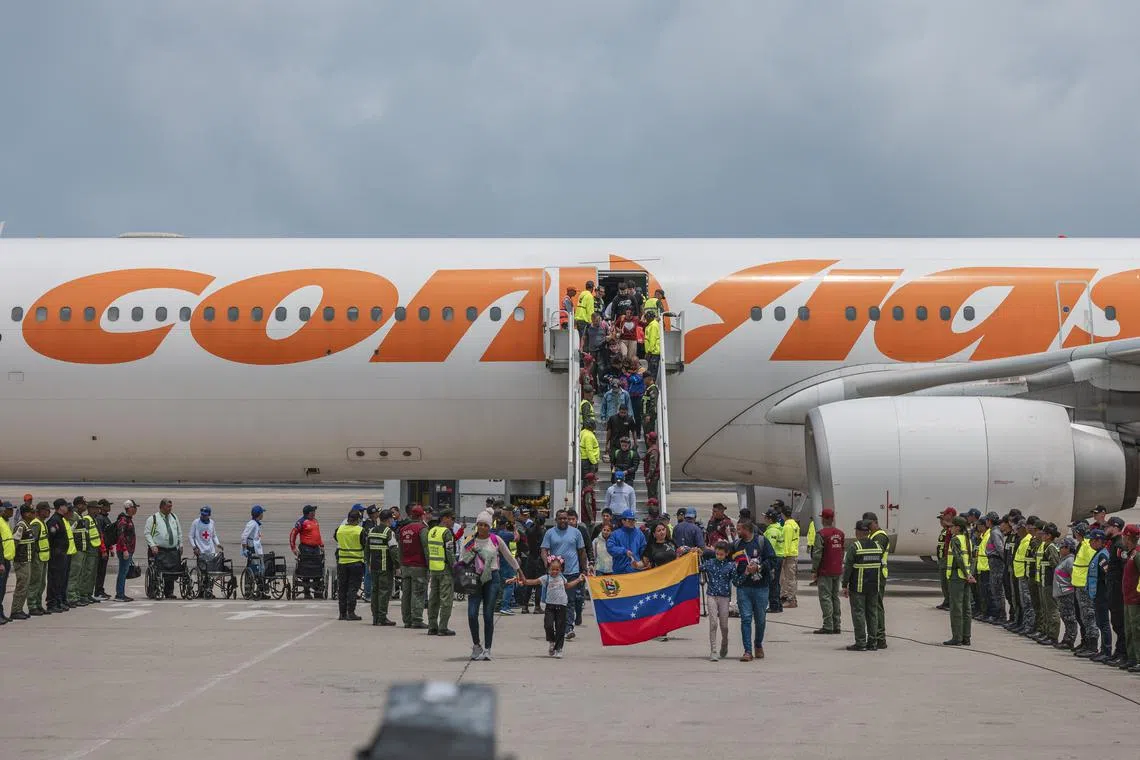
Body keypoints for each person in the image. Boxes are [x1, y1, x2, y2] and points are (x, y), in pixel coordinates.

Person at [461, 510, 523, 661]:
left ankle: (488, 648)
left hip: (492, 578)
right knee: (471, 613)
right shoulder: (470, 540)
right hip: (474, 578)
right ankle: (476, 646)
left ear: (489, 526)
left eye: (485, 525)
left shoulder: (496, 539)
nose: (482, 528)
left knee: (488, 614)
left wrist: (519, 571)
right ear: (476, 526)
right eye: (480, 525)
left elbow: (509, 555)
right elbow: (462, 559)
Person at [510, 556, 584, 658]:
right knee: (548, 625)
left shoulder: (562, 578)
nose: (555, 571)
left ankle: (559, 649)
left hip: (562, 606)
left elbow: (567, 586)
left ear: (561, 569)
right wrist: (520, 580)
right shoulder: (546, 578)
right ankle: (551, 641)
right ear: (548, 569)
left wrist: (578, 580)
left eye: (557, 569)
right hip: (550, 607)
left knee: (560, 628)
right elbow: (530, 582)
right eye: (552, 569)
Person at [732, 520, 776, 662]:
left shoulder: (762, 542)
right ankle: (747, 651)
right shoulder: (737, 545)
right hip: (743, 587)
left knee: (760, 619)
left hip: (761, 587)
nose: (737, 532)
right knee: (745, 618)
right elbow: (725, 557)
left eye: (739, 529)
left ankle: (758, 644)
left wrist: (759, 567)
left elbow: (773, 560)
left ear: (747, 529)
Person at [541, 509, 588, 639]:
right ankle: (558, 626)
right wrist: (547, 563)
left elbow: (582, 551)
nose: (563, 521)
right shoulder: (550, 533)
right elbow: (544, 550)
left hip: (572, 571)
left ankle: (568, 628)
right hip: (556, 573)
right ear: (556, 520)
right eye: (560, 518)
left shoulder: (576, 532)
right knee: (556, 602)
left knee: (570, 601)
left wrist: (584, 569)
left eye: (565, 518)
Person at [842, 520, 883, 651]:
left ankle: (860, 642)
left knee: (858, 614)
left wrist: (844, 584)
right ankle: (873, 642)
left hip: (858, 587)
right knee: (872, 614)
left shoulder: (855, 547)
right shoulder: (877, 546)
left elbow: (848, 568)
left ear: (858, 532)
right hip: (873, 586)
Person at [812, 508, 845, 635]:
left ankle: (828, 625)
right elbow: (842, 551)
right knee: (835, 597)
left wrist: (815, 569)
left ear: (824, 519)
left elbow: (817, 554)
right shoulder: (840, 533)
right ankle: (837, 624)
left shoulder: (821, 534)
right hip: (837, 570)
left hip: (825, 570)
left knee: (825, 597)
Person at [700, 541, 735, 661]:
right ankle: (713, 650)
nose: (719, 556)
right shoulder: (709, 563)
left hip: (724, 597)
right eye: (717, 554)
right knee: (713, 623)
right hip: (712, 596)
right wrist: (695, 555)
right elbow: (696, 568)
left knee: (724, 626)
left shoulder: (730, 566)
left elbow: (736, 580)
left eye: (721, 554)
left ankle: (724, 642)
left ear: (726, 554)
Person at [944, 516, 976, 646]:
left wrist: (966, 574)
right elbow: (973, 559)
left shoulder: (955, 540)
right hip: (966, 577)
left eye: (951, 526)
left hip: (957, 577)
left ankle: (957, 637)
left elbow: (957, 558)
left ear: (957, 527)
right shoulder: (968, 540)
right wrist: (970, 574)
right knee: (966, 607)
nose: (950, 529)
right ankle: (966, 637)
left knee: (956, 607)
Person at [425, 509, 457, 635]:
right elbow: (449, 552)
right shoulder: (446, 532)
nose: (453, 522)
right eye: (452, 519)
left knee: (433, 599)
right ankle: (443, 627)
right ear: (445, 518)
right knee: (446, 599)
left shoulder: (432, 530)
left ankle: (432, 626)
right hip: (445, 570)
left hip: (434, 569)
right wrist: (455, 567)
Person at [365, 508, 399, 627]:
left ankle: (375, 617)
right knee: (384, 592)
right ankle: (382, 617)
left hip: (373, 567)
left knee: (375, 591)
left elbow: (367, 549)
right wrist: (398, 565)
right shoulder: (389, 532)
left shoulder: (371, 531)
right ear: (389, 519)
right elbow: (394, 551)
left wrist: (367, 563)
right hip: (385, 567)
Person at [144, 498, 183, 600]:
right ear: (162, 507)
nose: (170, 509)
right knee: (158, 571)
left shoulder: (174, 517)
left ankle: (169, 592)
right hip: (158, 549)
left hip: (172, 549)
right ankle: (153, 591)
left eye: (171, 506)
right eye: (168, 506)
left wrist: (181, 544)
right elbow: (147, 533)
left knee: (172, 571)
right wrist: (152, 545)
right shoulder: (153, 519)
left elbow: (179, 532)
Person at [1070, 522, 1099, 655]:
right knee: (1081, 615)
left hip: (1085, 586)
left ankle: (1092, 645)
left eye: (1075, 532)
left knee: (1088, 615)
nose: (1074, 534)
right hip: (1078, 585)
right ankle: (1085, 641)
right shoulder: (1081, 545)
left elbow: (1094, 564)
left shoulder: (1088, 546)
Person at [398, 505, 430, 629]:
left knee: (406, 593)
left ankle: (407, 620)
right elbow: (426, 549)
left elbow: (400, 548)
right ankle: (416, 619)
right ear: (422, 515)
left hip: (405, 566)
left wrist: (401, 564)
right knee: (418, 592)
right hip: (419, 566)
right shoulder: (422, 529)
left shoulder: (403, 529)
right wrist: (430, 565)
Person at [1086, 529, 1113, 661]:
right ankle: (1103, 649)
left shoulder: (1102, 556)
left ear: (1098, 541)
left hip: (1102, 594)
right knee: (1100, 622)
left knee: (1103, 623)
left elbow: (1107, 574)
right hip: (1097, 593)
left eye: (1092, 540)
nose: (1090, 543)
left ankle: (1106, 650)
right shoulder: (1098, 554)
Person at [863, 511, 889, 648]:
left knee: (877, 606)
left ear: (874, 522)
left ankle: (880, 637)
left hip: (878, 574)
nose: (866, 528)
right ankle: (876, 635)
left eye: (868, 524)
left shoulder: (880, 537)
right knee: (872, 606)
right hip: (874, 574)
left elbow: (874, 554)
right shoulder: (873, 535)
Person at [7, 504, 37, 620]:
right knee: (21, 586)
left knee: (25, 585)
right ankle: (15, 610)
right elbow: (14, 543)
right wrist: (16, 560)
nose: (33, 514)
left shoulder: (27, 525)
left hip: (27, 560)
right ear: (25, 514)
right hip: (21, 561)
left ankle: (19, 609)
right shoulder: (21, 526)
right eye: (31, 512)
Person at [334, 509, 365, 621]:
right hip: (356, 563)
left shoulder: (340, 529)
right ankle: (351, 612)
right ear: (358, 520)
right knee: (352, 588)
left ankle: (342, 613)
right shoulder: (360, 530)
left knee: (342, 588)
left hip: (342, 562)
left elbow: (336, 538)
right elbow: (364, 544)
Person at [1033, 523, 1060, 645]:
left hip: (1049, 583)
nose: (1042, 536)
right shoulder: (1045, 546)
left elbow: (1055, 565)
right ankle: (1046, 631)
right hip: (1043, 581)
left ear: (1049, 536)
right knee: (1045, 609)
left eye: (1044, 534)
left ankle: (1053, 635)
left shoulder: (1051, 548)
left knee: (1051, 610)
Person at [45, 499, 74, 612]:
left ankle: (58, 601)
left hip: (62, 555)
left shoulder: (60, 519)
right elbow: (51, 538)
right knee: (54, 579)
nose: (67, 508)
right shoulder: (54, 521)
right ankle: (52, 603)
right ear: (60, 507)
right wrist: (55, 551)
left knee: (60, 579)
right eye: (65, 506)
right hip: (56, 555)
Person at [67, 497, 97, 607]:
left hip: (82, 549)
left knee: (79, 574)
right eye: (84, 504)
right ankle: (71, 597)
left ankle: (77, 595)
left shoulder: (80, 516)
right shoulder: (74, 516)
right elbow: (70, 532)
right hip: (77, 549)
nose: (85, 507)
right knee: (74, 574)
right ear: (79, 505)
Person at [290, 505, 324, 599]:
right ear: (309, 513)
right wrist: (293, 547)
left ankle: (317, 591)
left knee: (317, 568)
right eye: (313, 511)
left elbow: (318, 535)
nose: (314, 512)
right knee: (306, 569)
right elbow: (293, 534)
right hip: (306, 548)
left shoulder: (315, 521)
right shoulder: (301, 522)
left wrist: (321, 545)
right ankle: (307, 592)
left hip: (316, 548)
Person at [1119, 524, 1140, 672]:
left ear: (1128, 537)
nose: (1123, 540)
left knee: (1136, 629)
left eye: (1124, 537)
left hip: (1135, 599)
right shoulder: (1131, 553)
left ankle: (1138, 659)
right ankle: (1132, 658)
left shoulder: (1137, 555)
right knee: (1129, 630)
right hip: (1128, 598)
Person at [1052, 537, 1079, 649]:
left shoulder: (1070, 561)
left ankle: (1069, 640)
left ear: (1068, 548)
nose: (1060, 549)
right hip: (1061, 594)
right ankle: (1066, 638)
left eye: (1062, 547)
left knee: (1069, 618)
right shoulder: (1064, 559)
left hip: (1067, 593)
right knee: (1065, 617)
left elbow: (1074, 578)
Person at [25, 502, 51, 614]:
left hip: (44, 557)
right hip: (37, 557)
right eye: (45, 510)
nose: (48, 512)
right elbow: (33, 540)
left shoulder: (42, 523)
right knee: (35, 582)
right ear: (39, 511)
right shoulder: (36, 524)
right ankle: (32, 605)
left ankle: (38, 604)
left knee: (41, 583)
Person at [607, 509, 647, 575]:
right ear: (623, 521)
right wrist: (624, 551)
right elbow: (610, 548)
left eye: (633, 520)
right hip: (619, 571)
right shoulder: (615, 534)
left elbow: (644, 549)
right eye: (629, 520)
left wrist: (644, 560)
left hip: (635, 571)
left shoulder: (639, 534)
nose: (632, 522)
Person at [983, 513, 1007, 623]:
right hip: (994, 562)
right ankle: (999, 614)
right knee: (994, 588)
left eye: (987, 520)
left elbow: (1000, 548)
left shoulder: (995, 533)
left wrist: (1004, 561)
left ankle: (1001, 616)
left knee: (997, 589)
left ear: (990, 521)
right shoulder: (994, 531)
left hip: (996, 562)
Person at [113, 500, 138, 602]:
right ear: (130, 508)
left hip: (128, 550)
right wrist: (125, 550)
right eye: (134, 507)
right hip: (124, 550)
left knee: (124, 572)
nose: (136, 510)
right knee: (123, 572)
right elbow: (121, 536)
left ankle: (121, 593)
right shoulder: (124, 520)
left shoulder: (128, 519)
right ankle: (120, 594)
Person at [762, 510, 784, 613]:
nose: (764, 519)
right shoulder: (777, 528)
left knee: (773, 582)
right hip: (779, 557)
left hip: (774, 559)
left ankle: (774, 605)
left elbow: (770, 546)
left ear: (770, 519)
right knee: (776, 582)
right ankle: (777, 604)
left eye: (765, 517)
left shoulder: (772, 531)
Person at [935, 508, 955, 610]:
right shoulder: (944, 530)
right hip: (942, 559)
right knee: (943, 582)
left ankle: (949, 601)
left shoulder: (950, 530)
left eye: (942, 519)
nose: (941, 522)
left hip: (947, 559)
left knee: (947, 582)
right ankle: (946, 600)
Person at [780, 505, 800, 608]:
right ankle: (792, 598)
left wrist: (783, 556)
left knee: (788, 578)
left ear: (783, 514)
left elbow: (786, 542)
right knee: (791, 577)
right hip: (794, 553)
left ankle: (791, 599)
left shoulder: (787, 526)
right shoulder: (795, 524)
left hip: (788, 555)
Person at [241, 506, 266, 576]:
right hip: (253, 549)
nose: (263, 515)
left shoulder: (256, 523)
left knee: (260, 567)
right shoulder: (252, 524)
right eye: (262, 513)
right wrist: (244, 549)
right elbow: (244, 536)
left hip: (256, 548)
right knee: (256, 568)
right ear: (259, 514)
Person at [0, 502, 13, 623]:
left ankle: (1, 612)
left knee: (2, 589)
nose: (12, 512)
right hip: (1, 561)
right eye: (9, 510)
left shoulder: (5, 522)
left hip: (7, 559)